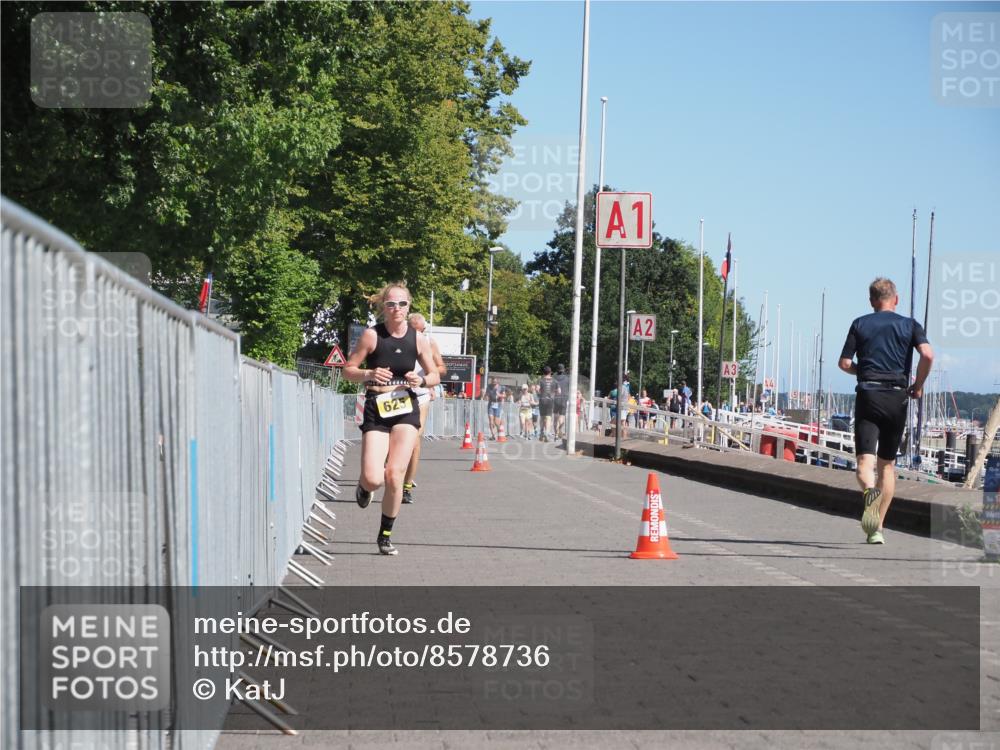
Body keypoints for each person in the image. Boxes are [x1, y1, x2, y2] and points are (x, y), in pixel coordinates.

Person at [343, 283, 441, 556]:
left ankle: (385, 535)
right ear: (383, 307)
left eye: (402, 304)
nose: (396, 309)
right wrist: (369, 374)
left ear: (409, 306)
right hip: (377, 406)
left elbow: (435, 376)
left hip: (405, 405)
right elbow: (347, 370)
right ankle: (364, 487)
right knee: (375, 479)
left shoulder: (419, 339)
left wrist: (421, 379)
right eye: (391, 304)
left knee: (394, 475)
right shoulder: (372, 336)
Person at [838, 277, 933, 545]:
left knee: (864, 464)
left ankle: (869, 491)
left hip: (868, 395)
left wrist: (863, 371)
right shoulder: (910, 325)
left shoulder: (860, 323)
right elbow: (927, 355)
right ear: (896, 299)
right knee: (887, 466)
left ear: (871, 301)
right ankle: (877, 527)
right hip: (896, 397)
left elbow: (844, 363)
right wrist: (918, 385)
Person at [401, 313, 446, 505]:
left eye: (422, 331)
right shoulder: (395, 338)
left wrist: (429, 378)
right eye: (415, 331)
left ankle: (407, 487)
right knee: (391, 437)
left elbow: (441, 368)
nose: (419, 335)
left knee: (415, 441)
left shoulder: (429, 342)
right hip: (397, 394)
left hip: (420, 395)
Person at [537, 366, 558, 441]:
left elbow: (537, 389)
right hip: (550, 401)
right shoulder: (555, 381)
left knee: (542, 417)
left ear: (544, 372)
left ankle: (541, 432)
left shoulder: (541, 380)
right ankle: (547, 433)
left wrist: (540, 394)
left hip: (542, 400)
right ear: (550, 372)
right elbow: (559, 391)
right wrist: (554, 394)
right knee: (548, 417)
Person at [553, 364, 570, 439]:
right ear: (563, 370)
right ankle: (560, 430)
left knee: (555, 417)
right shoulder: (567, 378)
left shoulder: (553, 378)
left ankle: (556, 434)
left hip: (555, 399)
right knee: (562, 416)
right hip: (564, 399)